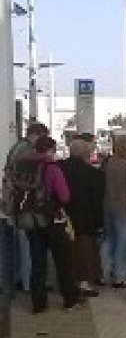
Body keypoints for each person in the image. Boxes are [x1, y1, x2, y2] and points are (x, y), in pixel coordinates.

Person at [25, 136, 83, 313]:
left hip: (31, 220)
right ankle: (70, 301)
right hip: (52, 220)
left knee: (37, 263)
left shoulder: (24, 166)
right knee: (63, 261)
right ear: (50, 150)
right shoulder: (52, 168)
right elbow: (64, 196)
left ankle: (39, 304)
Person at [2, 122, 49, 294]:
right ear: (36, 134)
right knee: (26, 244)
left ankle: (16, 280)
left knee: (17, 243)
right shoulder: (27, 151)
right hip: (22, 204)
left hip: (13, 201)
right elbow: (28, 181)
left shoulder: (16, 146)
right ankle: (27, 282)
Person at [58, 139, 104, 297]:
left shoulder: (59, 168)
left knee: (65, 251)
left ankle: (66, 282)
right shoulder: (93, 173)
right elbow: (97, 200)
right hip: (85, 220)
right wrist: (99, 221)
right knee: (84, 252)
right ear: (86, 153)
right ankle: (83, 284)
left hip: (62, 217)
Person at [101, 135, 126, 288]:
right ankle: (119, 276)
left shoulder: (108, 163)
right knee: (122, 243)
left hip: (107, 205)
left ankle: (104, 273)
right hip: (122, 208)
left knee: (108, 240)